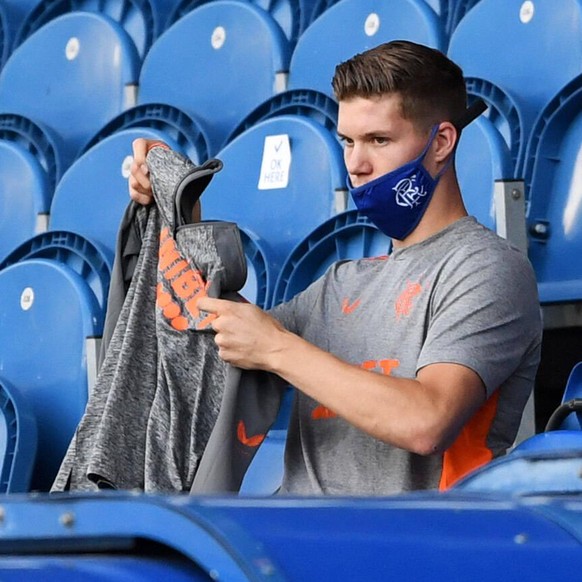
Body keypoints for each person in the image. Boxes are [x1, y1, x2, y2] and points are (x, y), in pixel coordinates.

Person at [128, 40, 542, 495]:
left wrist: (278, 349)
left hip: (414, 552)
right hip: (294, 547)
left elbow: (428, 421)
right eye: (347, 140)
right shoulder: (338, 284)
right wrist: (177, 207)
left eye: (378, 140)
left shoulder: (488, 269)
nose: (356, 165)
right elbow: (216, 336)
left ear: (441, 141)